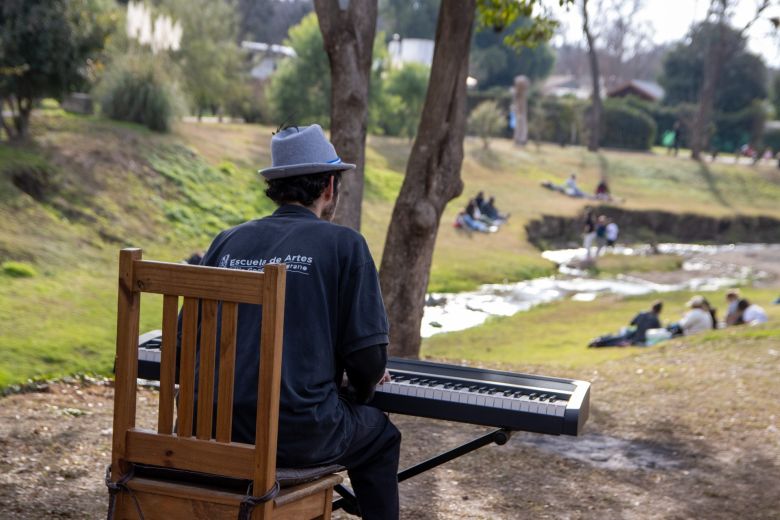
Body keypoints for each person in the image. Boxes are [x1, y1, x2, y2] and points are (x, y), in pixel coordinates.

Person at [197, 124, 400, 519]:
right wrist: (355, 390)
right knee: (380, 436)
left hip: (206, 429)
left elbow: (188, 344)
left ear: (276, 186)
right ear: (329, 186)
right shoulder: (345, 245)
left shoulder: (227, 240)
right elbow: (368, 361)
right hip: (296, 436)